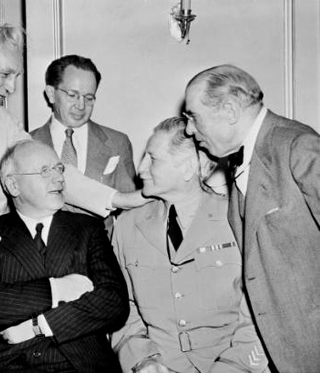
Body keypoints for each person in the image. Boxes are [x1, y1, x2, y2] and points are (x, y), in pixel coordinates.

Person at [0, 24, 146, 257]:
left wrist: (119, 198)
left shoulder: (3, 120)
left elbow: (49, 170)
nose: (11, 88)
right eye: (5, 74)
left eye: (16, 77)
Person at [184, 64, 320, 372]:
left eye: (193, 116)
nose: (189, 129)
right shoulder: (240, 161)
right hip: (282, 350)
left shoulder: (297, 146)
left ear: (230, 110)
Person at [111, 117, 268, 373]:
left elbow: (260, 311)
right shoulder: (128, 226)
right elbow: (121, 307)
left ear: (186, 168)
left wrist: (234, 366)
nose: (140, 169)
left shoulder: (238, 219)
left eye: (153, 159)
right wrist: (142, 360)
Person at [0, 139, 129, 372]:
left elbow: (114, 302)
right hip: (7, 365)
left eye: (59, 169)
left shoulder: (87, 228)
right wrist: (55, 290)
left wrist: (40, 325)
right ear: (13, 185)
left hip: (80, 364)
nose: (59, 178)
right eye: (44, 171)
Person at [31, 54, 137, 234]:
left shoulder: (117, 143)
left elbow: (131, 211)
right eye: (73, 95)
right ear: (51, 94)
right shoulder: (26, 143)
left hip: (100, 252)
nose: (81, 106)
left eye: (89, 98)